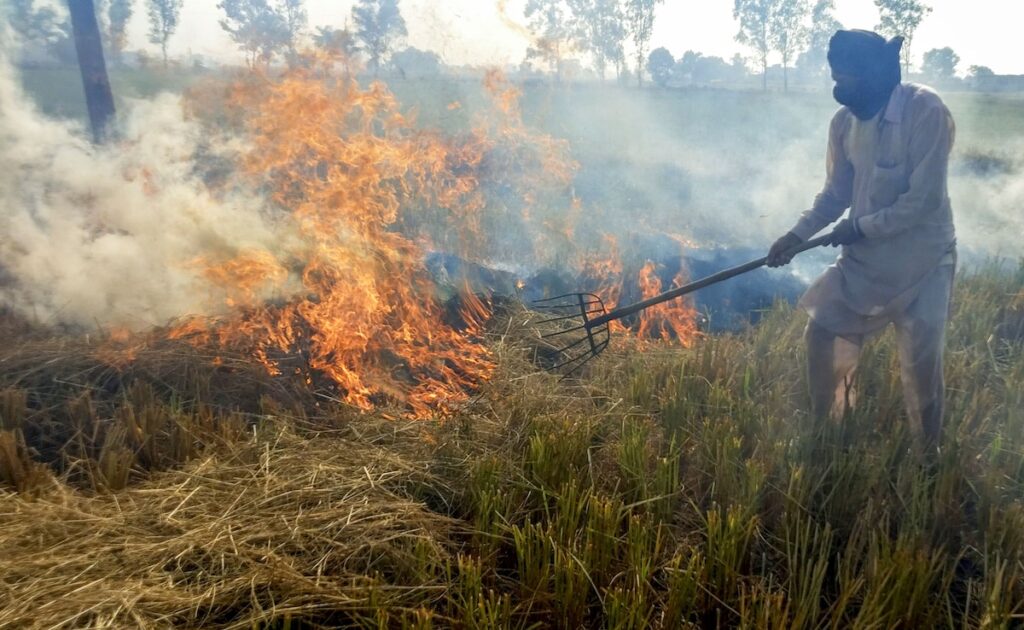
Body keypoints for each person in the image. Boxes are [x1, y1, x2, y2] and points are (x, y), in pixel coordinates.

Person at [766, 29, 957, 451]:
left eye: (847, 79)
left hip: (923, 261)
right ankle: (830, 432)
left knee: (921, 364)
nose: (839, 88)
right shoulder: (844, 123)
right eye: (835, 78)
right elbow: (836, 193)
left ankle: (928, 458)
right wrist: (796, 235)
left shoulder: (925, 111)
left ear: (874, 77)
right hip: (866, 261)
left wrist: (860, 227)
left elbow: (923, 201)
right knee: (822, 334)